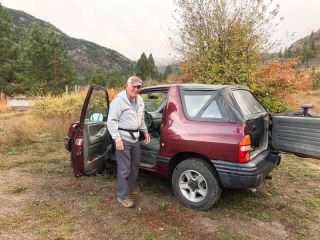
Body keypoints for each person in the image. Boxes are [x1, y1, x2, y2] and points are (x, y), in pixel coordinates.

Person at [107, 76, 150, 208]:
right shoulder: (119, 101)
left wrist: (145, 131)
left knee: (135, 166)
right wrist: (117, 139)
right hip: (123, 138)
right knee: (124, 168)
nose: (136, 89)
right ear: (127, 85)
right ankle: (123, 196)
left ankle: (128, 189)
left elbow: (141, 117)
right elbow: (111, 122)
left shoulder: (140, 99)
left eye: (138, 87)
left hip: (135, 138)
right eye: (133, 86)